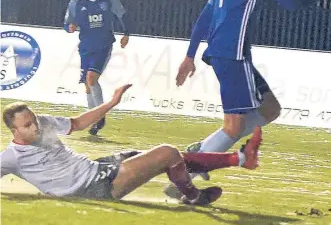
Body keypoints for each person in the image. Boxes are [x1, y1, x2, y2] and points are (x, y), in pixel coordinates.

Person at [173, 0, 331, 182]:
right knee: (234, 126)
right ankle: (190, 169)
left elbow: (205, 15)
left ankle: (201, 153)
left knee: (270, 109)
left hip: (229, 54)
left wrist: (190, 55)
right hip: (231, 54)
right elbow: (291, 3)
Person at [1, 84, 262, 205]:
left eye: (33, 121)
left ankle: (239, 160)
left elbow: (78, 123)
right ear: (14, 130)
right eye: (26, 126)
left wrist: (111, 103)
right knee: (167, 153)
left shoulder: (45, 122)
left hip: (97, 169)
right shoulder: (12, 157)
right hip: (92, 188)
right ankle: (194, 196)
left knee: (165, 157)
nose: (34, 126)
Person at [63, 0, 134, 136]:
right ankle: (93, 119)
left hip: (103, 45)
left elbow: (123, 15)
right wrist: (70, 27)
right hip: (85, 46)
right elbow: (67, 22)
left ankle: (100, 116)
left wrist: (126, 33)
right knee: (88, 85)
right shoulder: (77, 1)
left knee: (91, 78)